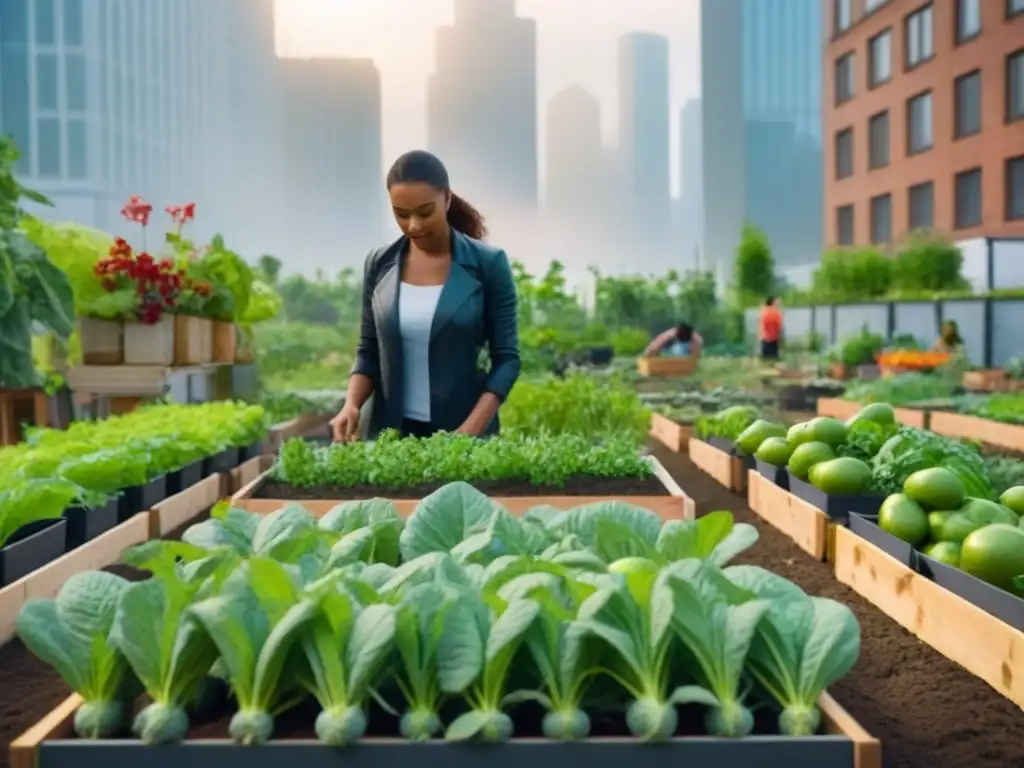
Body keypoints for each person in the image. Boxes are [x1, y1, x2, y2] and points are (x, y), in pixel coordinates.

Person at [330, 150, 521, 442]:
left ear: (446, 199)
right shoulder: (380, 264)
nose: (414, 226)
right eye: (401, 214)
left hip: (463, 435)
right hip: (388, 436)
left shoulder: (488, 264)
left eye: (424, 212)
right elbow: (368, 349)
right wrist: (351, 404)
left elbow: (507, 359)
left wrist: (467, 432)